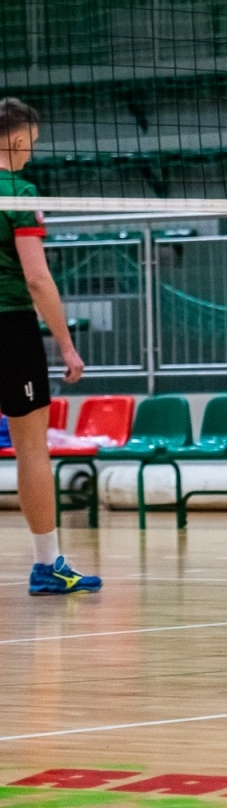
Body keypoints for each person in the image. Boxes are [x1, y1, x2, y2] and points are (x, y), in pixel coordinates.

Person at [0, 98, 97, 596]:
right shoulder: (17, 191)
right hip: (10, 326)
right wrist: (67, 346)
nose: (31, 155)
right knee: (31, 450)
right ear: (16, 139)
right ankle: (47, 566)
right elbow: (37, 278)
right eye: (31, 145)